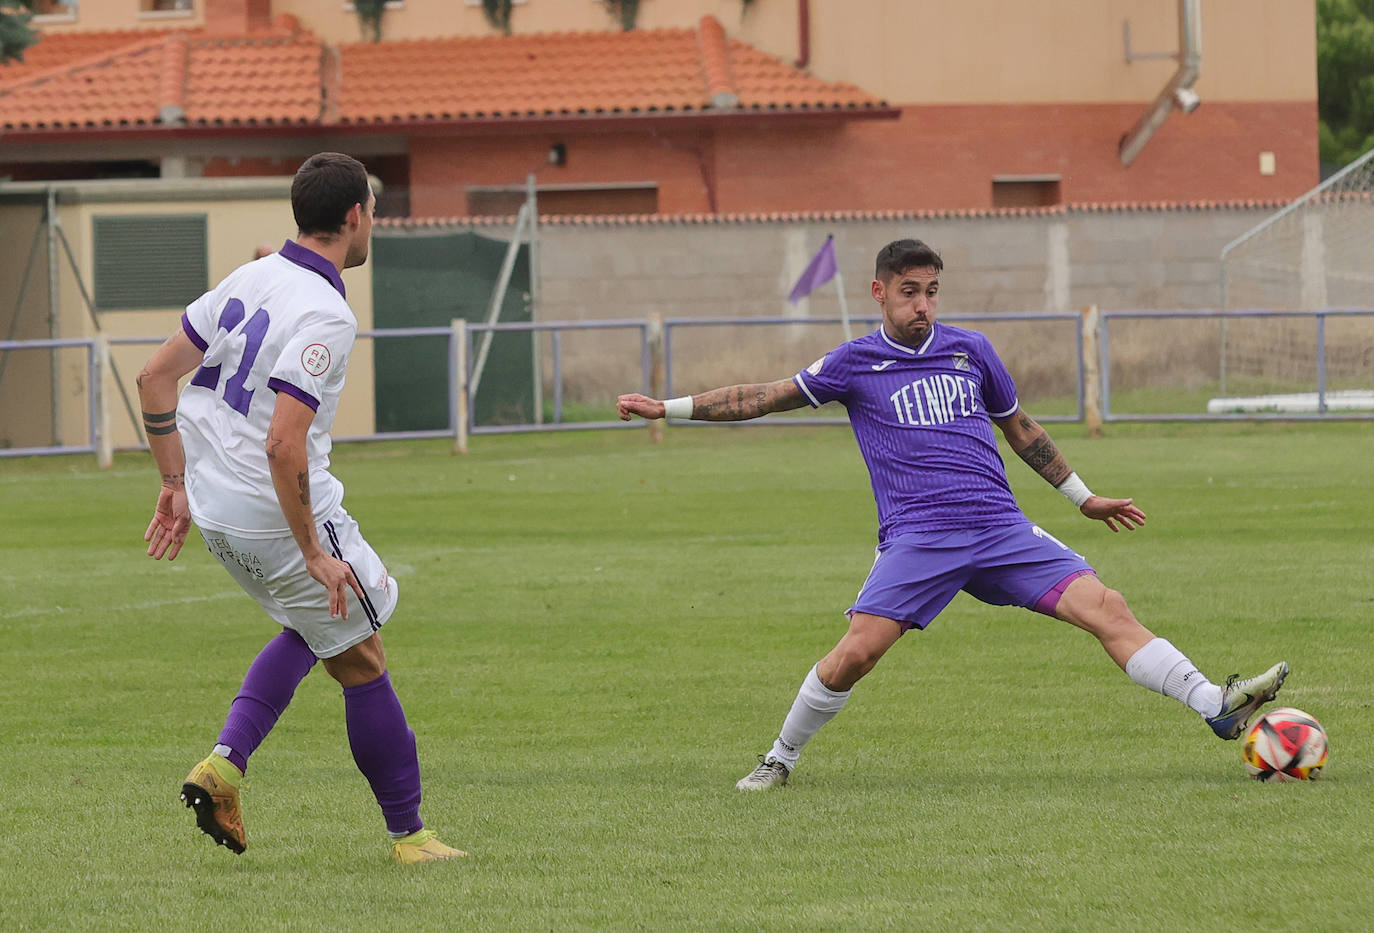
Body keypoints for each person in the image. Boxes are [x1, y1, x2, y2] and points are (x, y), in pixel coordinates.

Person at [617, 238, 1289, 791]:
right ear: (879, 291)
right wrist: (667, 408)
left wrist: (1082, 496)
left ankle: (1215, 705)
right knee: (854, 655)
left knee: (1106, 605)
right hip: (919, 537)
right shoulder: (853, 363)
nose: (923, 304)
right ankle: (780, 758)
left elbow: (1020, 427)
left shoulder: (971, 350)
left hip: (998, 527)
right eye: (910, 290)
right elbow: (762, 396)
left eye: (932, 290)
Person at [137, 152, 464, 861]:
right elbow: (285, 444)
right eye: (372, 211)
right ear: (354, 217)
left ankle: (224, 766)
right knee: (363, 656)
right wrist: (315, 550)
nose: (372, 223)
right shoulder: (325, 312)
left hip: (217, 506)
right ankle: (410, 836)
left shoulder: (250, 276)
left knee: (315, 627)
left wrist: (173, 484)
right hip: (270, 511)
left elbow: (155, 376)